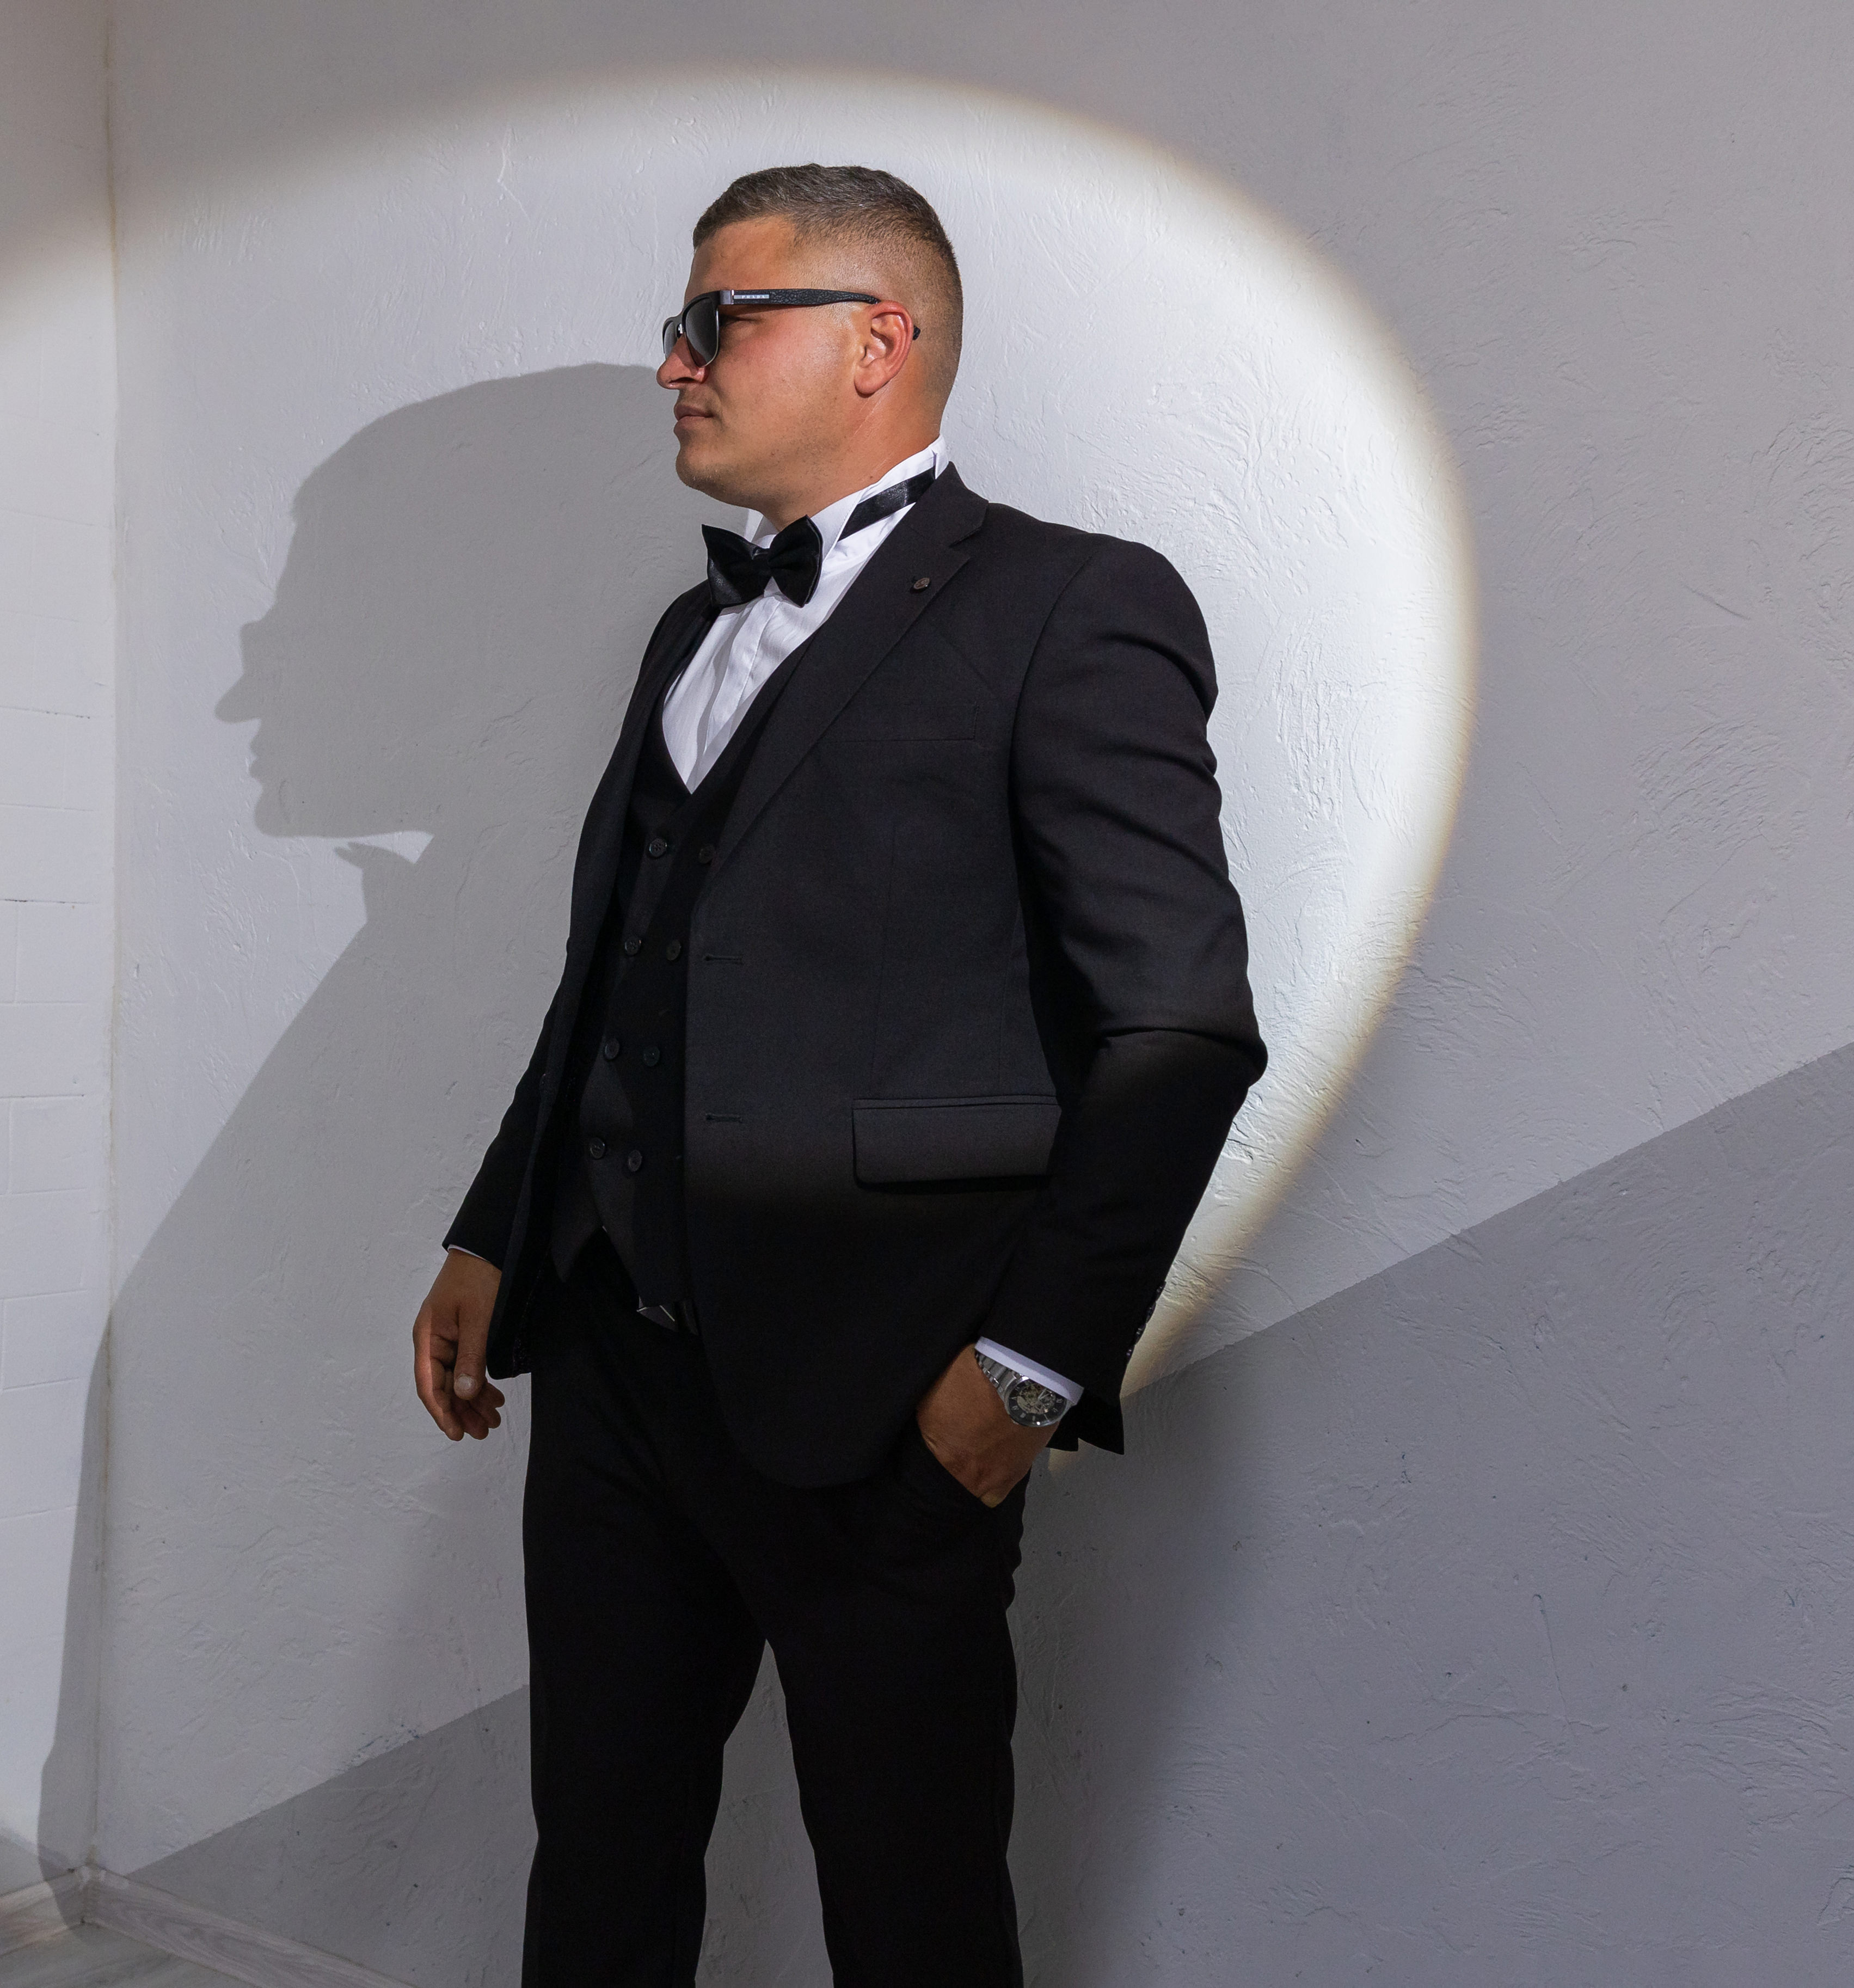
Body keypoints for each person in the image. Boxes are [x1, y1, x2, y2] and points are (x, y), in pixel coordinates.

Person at [406, 164, 1268, 1984]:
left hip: (885, 1398)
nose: (674, 364)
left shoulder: (1075, 606)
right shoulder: (686, 635)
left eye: (713, 322)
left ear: (879, 341)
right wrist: (497, 1227)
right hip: (613, 1375)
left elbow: (1181, 1028)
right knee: (600, 1868)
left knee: (914, 1908)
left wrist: (1025, 1374)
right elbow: (618, 973)